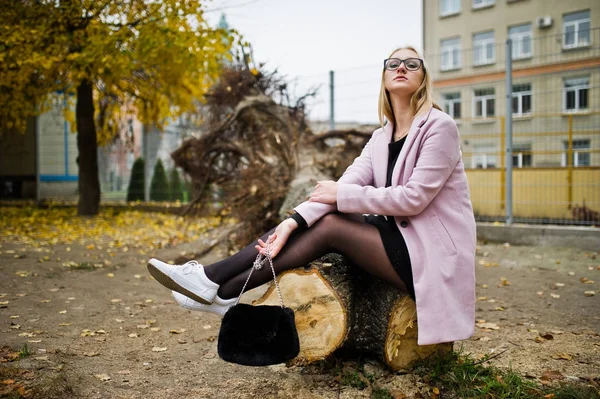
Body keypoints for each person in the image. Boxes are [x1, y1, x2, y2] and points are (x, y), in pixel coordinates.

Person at [147, 46, 476, 346]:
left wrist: (341, 194)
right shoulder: (380, 138)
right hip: (399, 242)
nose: (401, 67)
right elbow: (335, 192)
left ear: (422, 78)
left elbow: (412, 199)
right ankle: (215, 286)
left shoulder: (439, 126)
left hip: (430, 257)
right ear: (385, 78)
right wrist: (291, 223)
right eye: (394, 63)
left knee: (331, 227)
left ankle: (219, 287)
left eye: (412, 63)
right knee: (326, 217)